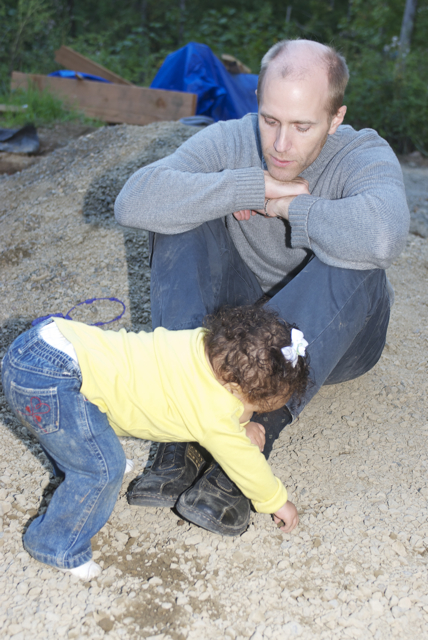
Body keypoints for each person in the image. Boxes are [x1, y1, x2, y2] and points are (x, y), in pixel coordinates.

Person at [114, 38, 410, 536]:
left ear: (335, 118)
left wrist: (292, 208)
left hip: (341, 336)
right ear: (257, 102)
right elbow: (134, 200)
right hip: (239, 325)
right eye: (270, 120)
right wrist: (247, 187)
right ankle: (182, 425)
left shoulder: (362, 153)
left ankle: (253, 440)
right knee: (177, 216)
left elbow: (385, 236)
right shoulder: (232, 139)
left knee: (357, 254)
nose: (280, 145)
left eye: (302, 126)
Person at [1, 305, 309, 580]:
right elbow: (243, 461)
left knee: (74, 430)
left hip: (44, 344)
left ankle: (78, 460)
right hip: (52, 379)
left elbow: (223, 404)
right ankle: (56, 545)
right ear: (233, 389)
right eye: (257, 407)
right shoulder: (212, 412)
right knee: (102, 470)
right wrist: (276, 501)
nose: (255, 413)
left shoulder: (201, 343)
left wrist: (241, 422)